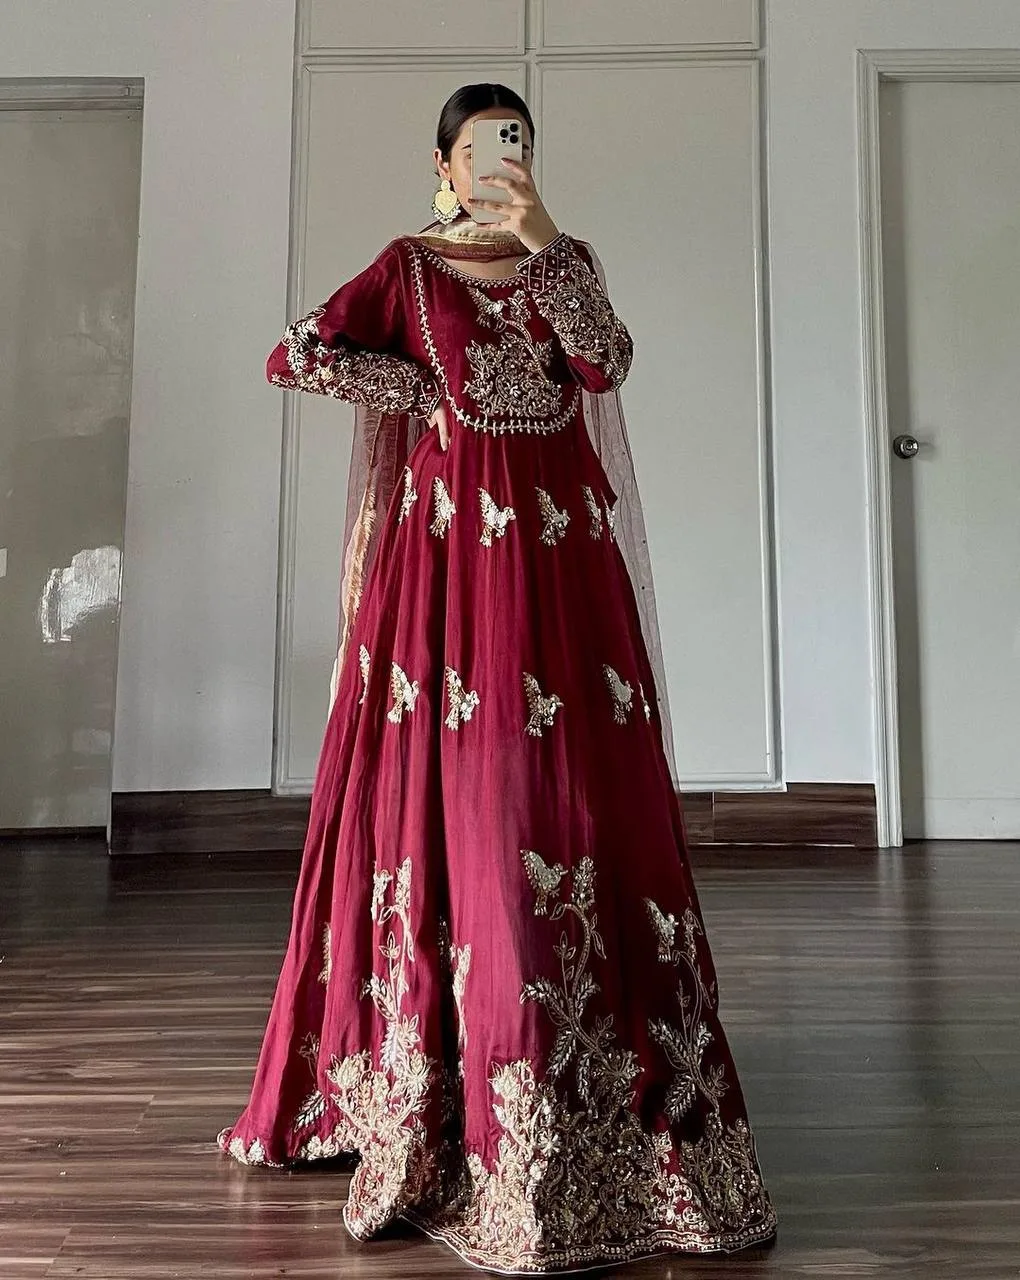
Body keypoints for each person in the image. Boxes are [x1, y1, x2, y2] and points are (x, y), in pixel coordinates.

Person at [217, 82, 778, 1273]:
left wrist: (547, 239)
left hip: (566, 572)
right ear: (443, 163)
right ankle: (452, 1090)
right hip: (451, 575)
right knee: (476, 803)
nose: (498, 163)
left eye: (516, 145)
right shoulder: (409, 269)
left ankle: (613, 1104)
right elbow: (295, 353)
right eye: (478, 149)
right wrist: (418, 391)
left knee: (577, 801)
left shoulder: (563, 261)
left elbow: (606, 363)